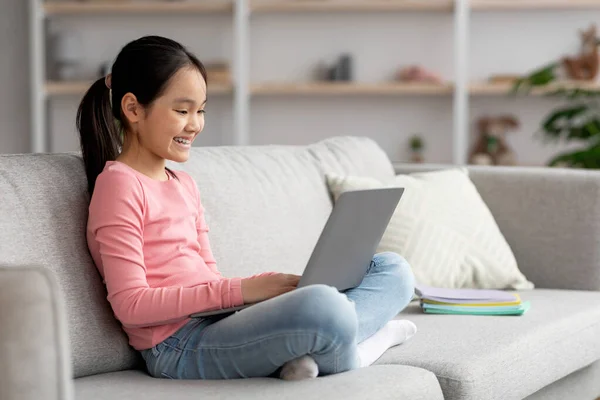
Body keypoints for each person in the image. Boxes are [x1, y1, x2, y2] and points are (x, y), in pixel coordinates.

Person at [78, 35, 417, 381]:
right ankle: (365, 347)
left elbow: (208, 275)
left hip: (219, 321)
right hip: (176, 345)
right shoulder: (119, 185)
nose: (195, 124)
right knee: (325, 307)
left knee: (394, 269)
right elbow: (131, 306)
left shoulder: (184, 184)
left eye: (201, 110)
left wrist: (258, 295)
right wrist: (244, 291)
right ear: (133, 108)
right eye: (182, 111)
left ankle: (312, 349)